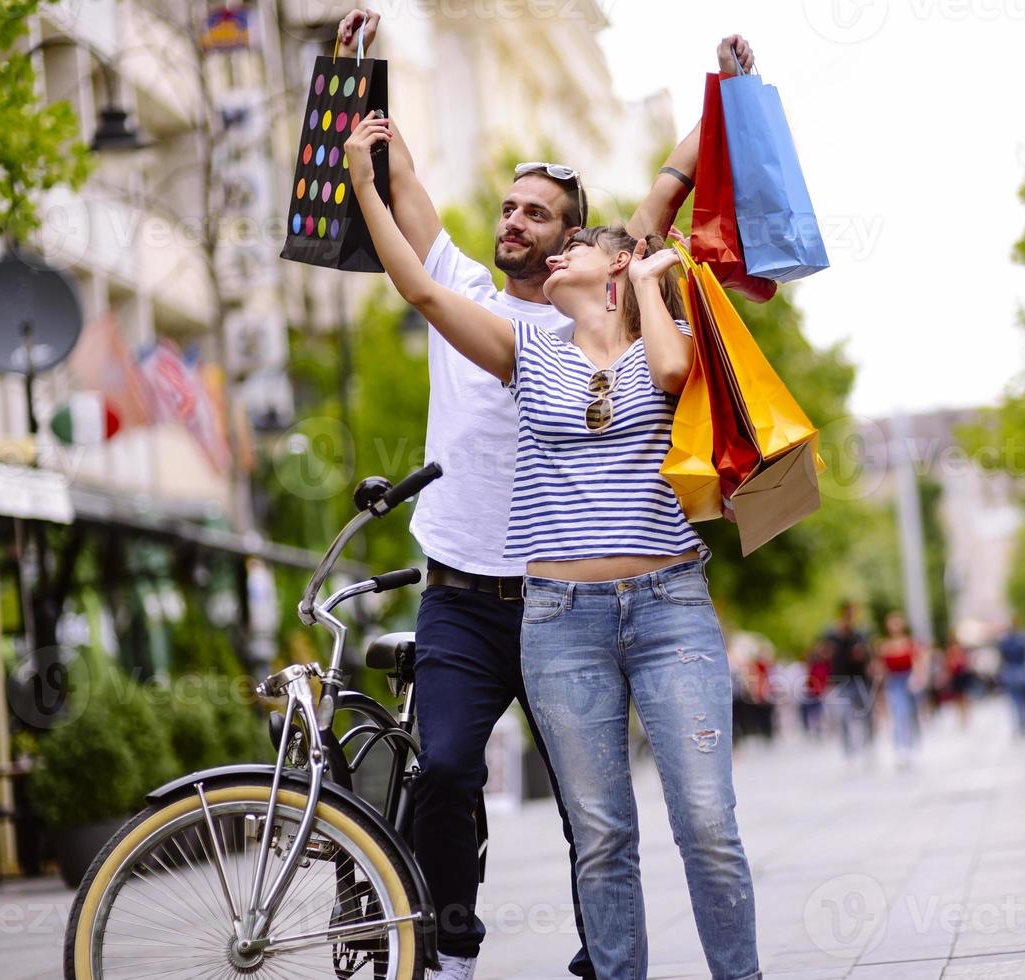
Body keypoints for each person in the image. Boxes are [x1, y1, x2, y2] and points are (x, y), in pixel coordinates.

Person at [335, 12, 757, 978]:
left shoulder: (622, 304)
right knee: (449, 770)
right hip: (474, 592)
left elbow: (668, 188)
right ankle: (455, 948)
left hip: (609, 598)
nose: (517, 224)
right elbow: (401, 191)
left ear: (584, 243)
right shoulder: (489, 310)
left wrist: (726, 98)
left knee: (623, 815)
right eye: (511, 210)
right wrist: (358, 67)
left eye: (539, 216)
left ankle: (599, 959)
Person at [820, 601, 873, 758]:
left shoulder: (861, 633)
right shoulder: (831, 633)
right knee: (843, 716)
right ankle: (849, 751)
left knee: (865, 716)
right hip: (841, 680)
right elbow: (825, 653)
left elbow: (866, 655)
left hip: (860, 679)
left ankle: (867, 745)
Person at [877, 611, 922, 762]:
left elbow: (917, 662)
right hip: (894, 682)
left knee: (910, 713)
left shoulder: (910, 642)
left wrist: (916, 678)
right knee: (899, 713)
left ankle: (911, 743)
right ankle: (900, 747)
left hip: (908, 679)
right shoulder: (884, 645)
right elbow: (882, 668)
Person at [996, 623, 1025, 737]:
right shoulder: (1023, 640)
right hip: (1022, 672)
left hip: (1011, 674)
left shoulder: (1005, 642)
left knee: (1014, 702)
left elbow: (1002, 660)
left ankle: (1018, 725)